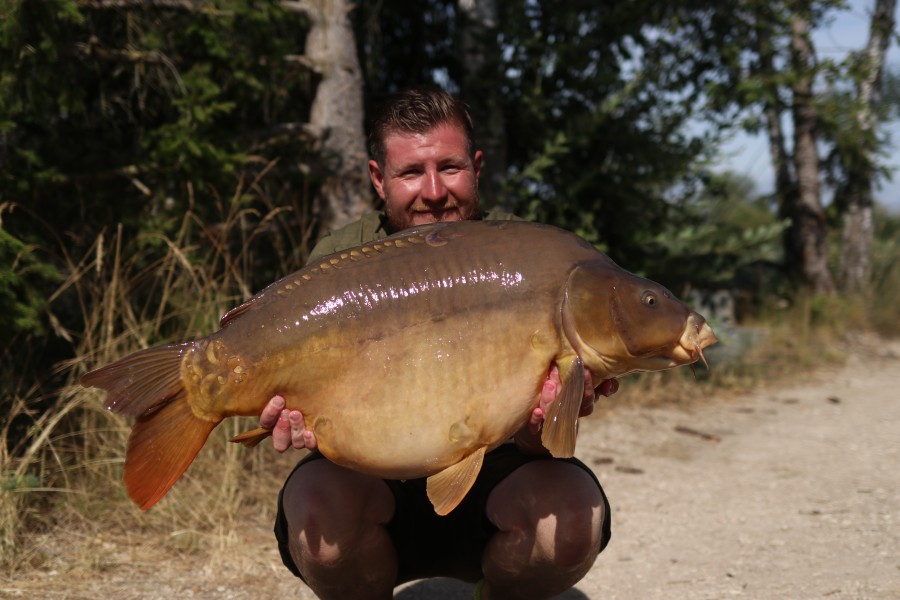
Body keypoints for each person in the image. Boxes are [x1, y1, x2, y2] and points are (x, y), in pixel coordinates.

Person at [260, 86, 618, 600]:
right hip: (377, 480)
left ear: (476, 167)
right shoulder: (343, 258)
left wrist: (547, 420)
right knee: (317, 510)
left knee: (571, 518)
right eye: (410, 173)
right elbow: (318, 412)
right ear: (379, 179)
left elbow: (537, 445)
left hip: (494, 480)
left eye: (449, 167)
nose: (433, 192)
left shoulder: (527, 257)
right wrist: (294, 413)